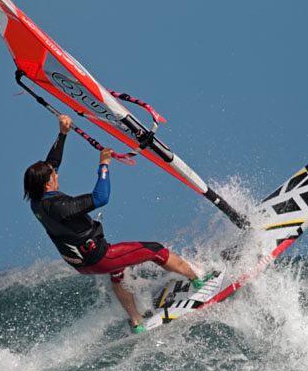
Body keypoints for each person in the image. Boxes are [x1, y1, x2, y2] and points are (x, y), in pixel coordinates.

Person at [24, 114, 212, 333]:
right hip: (100, 256)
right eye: (53, 175)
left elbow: (51, 164)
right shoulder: (60, 206)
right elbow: (100, 198)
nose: (56, 173)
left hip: (80, 264)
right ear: (48, 184)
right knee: (155, 250)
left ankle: (136, 322)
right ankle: (197, 279)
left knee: (118, 271)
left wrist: (62, 134)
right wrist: (104, 165)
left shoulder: (36, 202)